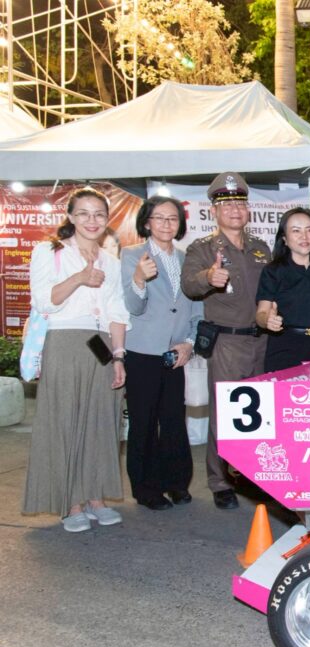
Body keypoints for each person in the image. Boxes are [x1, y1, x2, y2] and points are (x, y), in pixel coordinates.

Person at [23, 187, 130, 532]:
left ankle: (95, 497)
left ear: (107, 219)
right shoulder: (50, 251)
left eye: (99, 214)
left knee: (102, 421)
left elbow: (117, 312)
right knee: (65, 421)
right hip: (64, 341)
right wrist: (80, 278)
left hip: (101, 345)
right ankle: (71, 504)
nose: (91, 220)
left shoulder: (111, 261)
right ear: (70, 216)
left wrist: (118, 357)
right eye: (83, 213)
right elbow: (44, 301)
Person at [182, 172, 270, 510]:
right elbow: (189, 285)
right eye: (227, 205)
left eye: (240, 204)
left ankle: (253, 475)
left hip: (262, 341)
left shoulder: (261, 248)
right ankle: (220, 481)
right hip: (227, 344)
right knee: (225, 414)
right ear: (214, 212)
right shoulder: (203, 249)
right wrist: (209, 276)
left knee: (259, 415)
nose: (235, 210)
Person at [121, 195, 203, 511]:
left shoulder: (186, 259)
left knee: (173, 420)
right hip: (142, 351)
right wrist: (139, 279)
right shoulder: (132, 255)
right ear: (147, 222)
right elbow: (132, 306)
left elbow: (197, 308)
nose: (166, 224)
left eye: (172, 218)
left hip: (176, 353)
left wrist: (189, 343)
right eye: (159, 217)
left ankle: (177, 482)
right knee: (143, 422)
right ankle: (145, 488)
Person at [256, 208, 310, 372]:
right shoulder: (273, 270)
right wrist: (268, 320)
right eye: (296, 231)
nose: (304, 236)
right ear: (284, 238)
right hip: (285, 348)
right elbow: (262, 312)